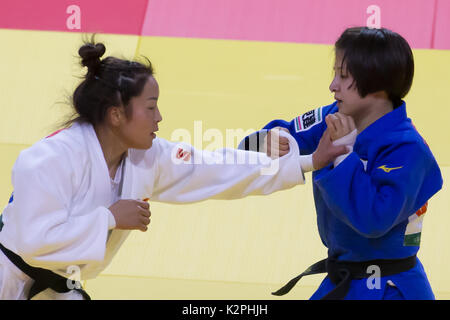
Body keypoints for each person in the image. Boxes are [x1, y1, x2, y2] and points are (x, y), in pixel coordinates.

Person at [0, 40, 346, 300]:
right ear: (116, 114)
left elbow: (213, 168)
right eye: (150, 108)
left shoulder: (146, 156)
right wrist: (109, 218)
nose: (160, 118)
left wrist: (309, 162)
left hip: (62, 287)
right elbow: (33, 242)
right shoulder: (48, 160)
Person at [241, 27, 443, 300]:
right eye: (335, 73)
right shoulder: (333, 115)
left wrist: (342, 155)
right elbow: (259, 145)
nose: (332, 85)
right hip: (344, 278)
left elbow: (373, 219)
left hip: (390, 287)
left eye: (343, 76)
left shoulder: (408, 148)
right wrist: (268, 140)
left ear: (377, 84)